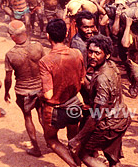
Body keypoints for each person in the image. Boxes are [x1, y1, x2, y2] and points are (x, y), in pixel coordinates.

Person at [68, 35, 131, 167]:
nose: (92, 56)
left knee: (82, 152)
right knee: (111, 154)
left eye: (97, 53)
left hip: (109, 124)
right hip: (121, 117)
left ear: (107, 55)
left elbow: (97, 116)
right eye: (90, 52)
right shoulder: (111, 66)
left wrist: (77, 139)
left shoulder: (103, 78)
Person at [39, 18, 85, 167]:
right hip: (74, 104)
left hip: (56, 110)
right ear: (66, 34)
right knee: (72, 138)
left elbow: (48, 95)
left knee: (51, 140)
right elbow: (82, 80)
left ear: (48, 36)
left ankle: (74, 165)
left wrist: (39, 94)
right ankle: (77, 161)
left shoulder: (46, 61)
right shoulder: (77, 53)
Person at [4, 20, 45, 157]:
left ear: (12, 36)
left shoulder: (10, 54)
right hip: (40, 88)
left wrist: (6, 92)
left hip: (23, 91)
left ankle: (36, 148)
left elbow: (8, 79)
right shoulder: (38, 47)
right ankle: (52, 141)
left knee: (27, 117)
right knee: (42, 115)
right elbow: (46, 66)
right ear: (25, 31)